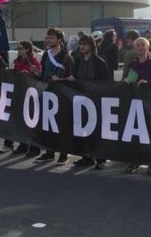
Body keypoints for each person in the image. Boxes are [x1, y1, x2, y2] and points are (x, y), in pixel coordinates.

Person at [123, 37, 151, 175]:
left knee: (150, 134)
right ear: (135, 48)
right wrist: (127, 81)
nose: (140, 47)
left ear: (148, 47)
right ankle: (135, 161)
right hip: (136, 103)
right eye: (138, 45)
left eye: (143, 45)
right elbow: (129, 79)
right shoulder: (133, 64)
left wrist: (148, 82)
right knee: (136, 134)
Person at [69, 34, 110, 169]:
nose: (82, 46)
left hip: (96, 102)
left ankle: (100, 159)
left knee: (97, 131)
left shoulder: (100, 63)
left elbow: (106, 83)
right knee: (83, 130)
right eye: (81, 44)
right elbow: (74, 78)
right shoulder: (78, 61)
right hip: (82, 101)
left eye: (85, 44)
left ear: (92, 46)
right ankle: (86, 157)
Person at [35, 27, 74, 165]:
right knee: (47, 124)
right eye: (47, 37)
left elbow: (70, 78)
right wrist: (37, 73)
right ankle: (49, 152)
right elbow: (43, 73)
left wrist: (60, 79)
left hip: (61, 95)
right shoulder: (46, 55)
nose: (48, 40)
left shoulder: (66, 57)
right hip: (47, 92)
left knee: (61, 124)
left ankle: (63, 154)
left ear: (59, 40)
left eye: (51, 37)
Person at [12, 40, 42, 156]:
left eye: (20, 48)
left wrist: (31, 72)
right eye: (18, 49)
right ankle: (23, 145)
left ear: (27, 49)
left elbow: (39, 75)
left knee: (32, 122)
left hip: (31, 95)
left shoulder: (33, 61)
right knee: (20, 121)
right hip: (20, 93)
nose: (18, 51)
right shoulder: (17, 61)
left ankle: (35, 147)